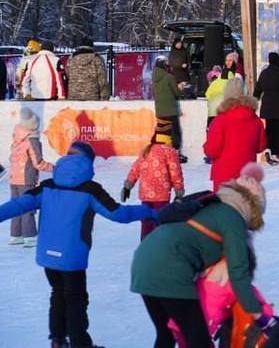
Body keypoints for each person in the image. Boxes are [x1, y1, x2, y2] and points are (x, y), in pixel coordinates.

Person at [0, 142, 153, 348]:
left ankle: (57, 340)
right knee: (75, 299)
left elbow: (18, 205)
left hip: (47, 256)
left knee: (58, 294)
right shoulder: (90, 190)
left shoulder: (48, 186)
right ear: (87, 163)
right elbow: (119, 214)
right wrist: (150, 212)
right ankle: (80, 344)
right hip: (72, 257)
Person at [131, 162, 269, 348]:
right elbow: (238, 272)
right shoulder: (232, 217)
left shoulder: (208, 204)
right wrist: (258, 314)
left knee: (166, 334)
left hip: (143, 262)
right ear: (253, 209)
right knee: (197, 339)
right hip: (171, 269)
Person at [122, 120, 185, 239]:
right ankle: (157, 247)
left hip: (146, 194)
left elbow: (135, 168)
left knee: (146, 221)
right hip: (161, 195)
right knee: (159, 221)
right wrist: (179, 191)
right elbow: (175, 172)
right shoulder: (170, 151)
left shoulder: (147, 149)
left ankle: (144, 245)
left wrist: (128, 186)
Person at [204, 77, 267, 191]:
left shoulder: (219, 121)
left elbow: (212, 151)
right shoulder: (256, 120)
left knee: (225, 207)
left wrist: (206, 145)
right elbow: (260, 147)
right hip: (247, 176)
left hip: (224, 176)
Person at [9, 107, 53, 245]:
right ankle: (30, 236)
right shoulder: (31, 140)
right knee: (27, 207)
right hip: (26, 179)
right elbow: (38, 163)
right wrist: (55, 169)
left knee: (16, 206)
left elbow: (12, 158)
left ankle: (16, 235)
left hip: (13, 178)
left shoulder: (17, 137)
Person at [253, 51, 279, 165]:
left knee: (269, 129)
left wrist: (254, 98)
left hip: (267, 106)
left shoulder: (264, 73)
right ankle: (276, 153)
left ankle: (268, 149)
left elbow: (258, 89)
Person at [152, 56, 186, 160]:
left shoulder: (154, 78)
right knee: (175, 133)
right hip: (170, 110)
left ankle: (160, 153)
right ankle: (175, 153)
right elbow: (176, 93)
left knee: (162, 132)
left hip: (160, 111)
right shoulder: (169, 77)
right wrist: (181, 87)